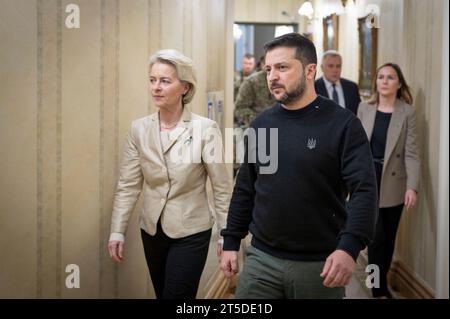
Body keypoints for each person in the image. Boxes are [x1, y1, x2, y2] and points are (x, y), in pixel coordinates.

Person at [219, 33, 378, 299]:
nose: (272, 77)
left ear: (309, 70)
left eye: (282, 67)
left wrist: (349, 247)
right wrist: (231, 240)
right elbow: (246, 188)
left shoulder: (343, 125)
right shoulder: (262, 125)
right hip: (261, 260)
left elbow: (364, 190)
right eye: (268, 69)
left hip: (320, 264)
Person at [107, 49, 231, 299]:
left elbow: (221, 187)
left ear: (185, 87)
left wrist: (226, 234)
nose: (156, 87)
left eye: (165, 81)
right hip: (151, 231)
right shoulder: (139, 129)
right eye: (152, 80)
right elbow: (128, 185)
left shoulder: (205, 129)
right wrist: (117, 230)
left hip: (191, 232)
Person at [357, 63, 420, 299]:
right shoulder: (364, 107)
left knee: (388, 239)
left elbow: (412, 153)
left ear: (399, 83)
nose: (384, 81)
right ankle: (378, 289)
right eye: (380, 76)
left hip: (394, 182)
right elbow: (355, 147)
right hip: (368, 179)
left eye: (390, 77)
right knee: (375, 241)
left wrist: (412, 186)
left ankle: (380, 284)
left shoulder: (407, 112)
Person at [315, 50, 361, 115]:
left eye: (338, 66)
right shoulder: (313, 88)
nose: (335, 70)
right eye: (331, 66)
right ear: (322, 68)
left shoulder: (352, 87)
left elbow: (357, 114)